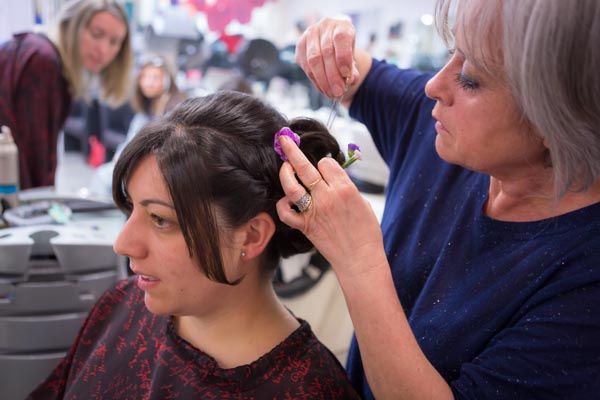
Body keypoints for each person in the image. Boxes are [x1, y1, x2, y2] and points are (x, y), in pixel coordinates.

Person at [277, 0, 600, 399]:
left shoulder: (584, 282)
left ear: (559, 117)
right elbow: (356, 72)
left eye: (469, 78)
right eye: (452, 55)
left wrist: (358, 260)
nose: (434, 86)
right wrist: (330, 41)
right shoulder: (439, 124)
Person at [27, 91, 360, 399]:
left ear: (252, 235)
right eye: (132, 209)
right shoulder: (122, 306)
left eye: (161, 219)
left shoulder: (309, 389)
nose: (123, 244)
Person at [0, 0, 132, 189]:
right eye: (96, 34)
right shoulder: (43, 61)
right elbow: (35, 155)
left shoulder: (38, 51)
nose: (103, 49)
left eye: (114, 42)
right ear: (72, 25)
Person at [88, 54, 186, 197]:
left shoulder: (173, 110)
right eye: (144, 77)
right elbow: (131, 138)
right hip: (137, 161)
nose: (148, 83)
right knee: (103, 175)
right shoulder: (146, 109)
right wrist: (120, 156)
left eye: (155, 77)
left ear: (167, 80)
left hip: (157, 168)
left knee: (105, 179)